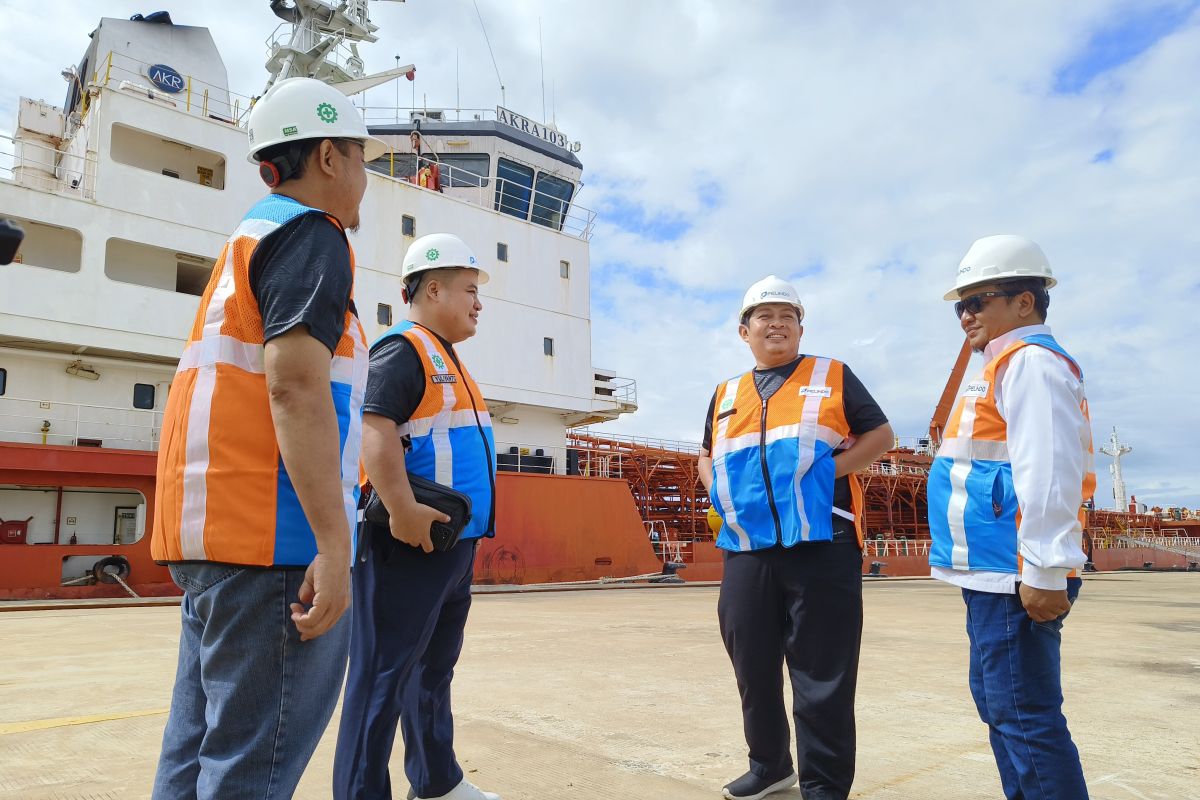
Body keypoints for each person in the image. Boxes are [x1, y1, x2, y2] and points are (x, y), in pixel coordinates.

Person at [150, 76, 386, 798]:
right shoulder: (312, 235)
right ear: (326, 158)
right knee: (253, 768)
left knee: (195, 757)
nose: (364, 179)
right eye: (360, 158)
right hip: (273, 544)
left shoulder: (246, 242)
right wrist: (334, 546)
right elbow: (295, 385)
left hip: (210, 538)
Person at [698, 276, 893, 800]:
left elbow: (880, 436)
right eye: (764, 316)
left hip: (822, 542)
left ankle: (824, 787)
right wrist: (717, 487)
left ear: (801, 326)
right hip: (747, 547)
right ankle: (769, 766)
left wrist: (827, 475)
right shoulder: (725, 394)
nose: (776, 323)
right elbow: (705, 453)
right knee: (752, 665)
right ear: (745, 330)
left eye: (787, 315)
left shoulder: (832, 375)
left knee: (821, 674)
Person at [928, 235, 1096, 800]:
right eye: (961, 305)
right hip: (995, 574)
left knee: (1025, 716)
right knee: (1004, 708)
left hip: (1017, 576)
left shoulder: (1029, 364)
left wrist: (1047, 571)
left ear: (1025, 302)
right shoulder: (1000, 364)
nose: (966, 316)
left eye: (980, 301)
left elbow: (1048, 472)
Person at [333, 233, 499, 800]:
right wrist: (402, 510)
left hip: (451, 549)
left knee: (431, 672)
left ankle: (437, 782)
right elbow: (373, 430)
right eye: (470, 290)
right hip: (406, 545)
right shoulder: (403, 350)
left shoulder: (447, 358)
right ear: (432, 289)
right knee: (381, 679)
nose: (478, 303)